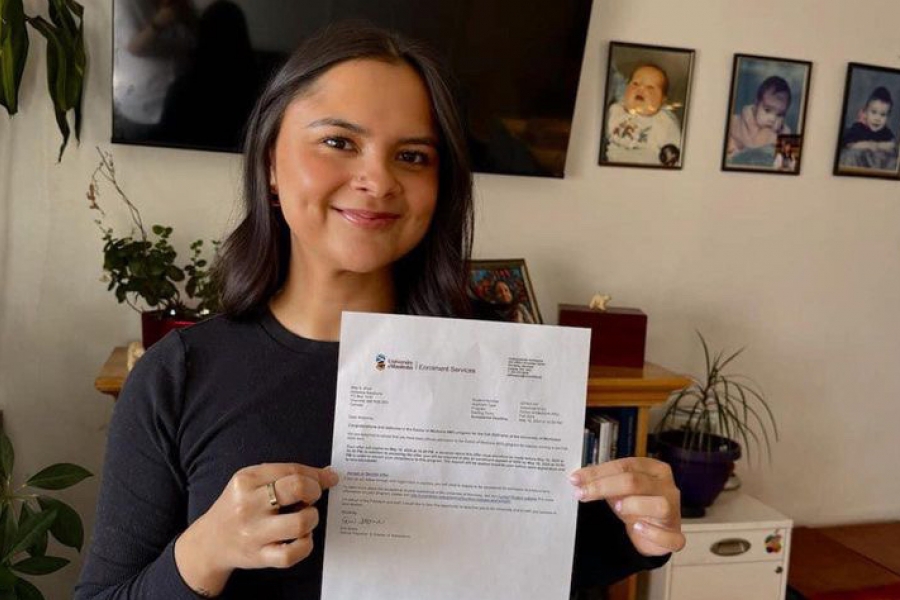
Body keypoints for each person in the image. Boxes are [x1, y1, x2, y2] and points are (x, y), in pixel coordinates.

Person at [76, 23, 684, 600]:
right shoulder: (176, 377)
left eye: (413, 156)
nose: (377, 179)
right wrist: (204, 550)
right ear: (269, 164)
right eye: (339, 142)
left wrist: (637, 533)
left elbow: (520, 561)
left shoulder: (494, 367)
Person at [604, 64, 682, 166]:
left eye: (650, 87)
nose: (641, 89)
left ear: (663, 100)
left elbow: (675, 153)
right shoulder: (615, 110)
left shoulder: (665, 122)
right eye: (635, 84)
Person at [727, 75, 792, 163]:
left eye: (780, 115)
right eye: (767, 110)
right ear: (757, 104)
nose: (772, 118)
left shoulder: (784, 133)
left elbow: (788, 165)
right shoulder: (737, 123)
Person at [838, 86, 898, 171]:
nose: (877, 118)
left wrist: (879, 146)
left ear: (887, 118)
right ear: (865, 113)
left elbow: (892, 145)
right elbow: (847, 144)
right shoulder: (858, 128)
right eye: (873, 112)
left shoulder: (886, 132)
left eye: (883, 115)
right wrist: (868, 145)